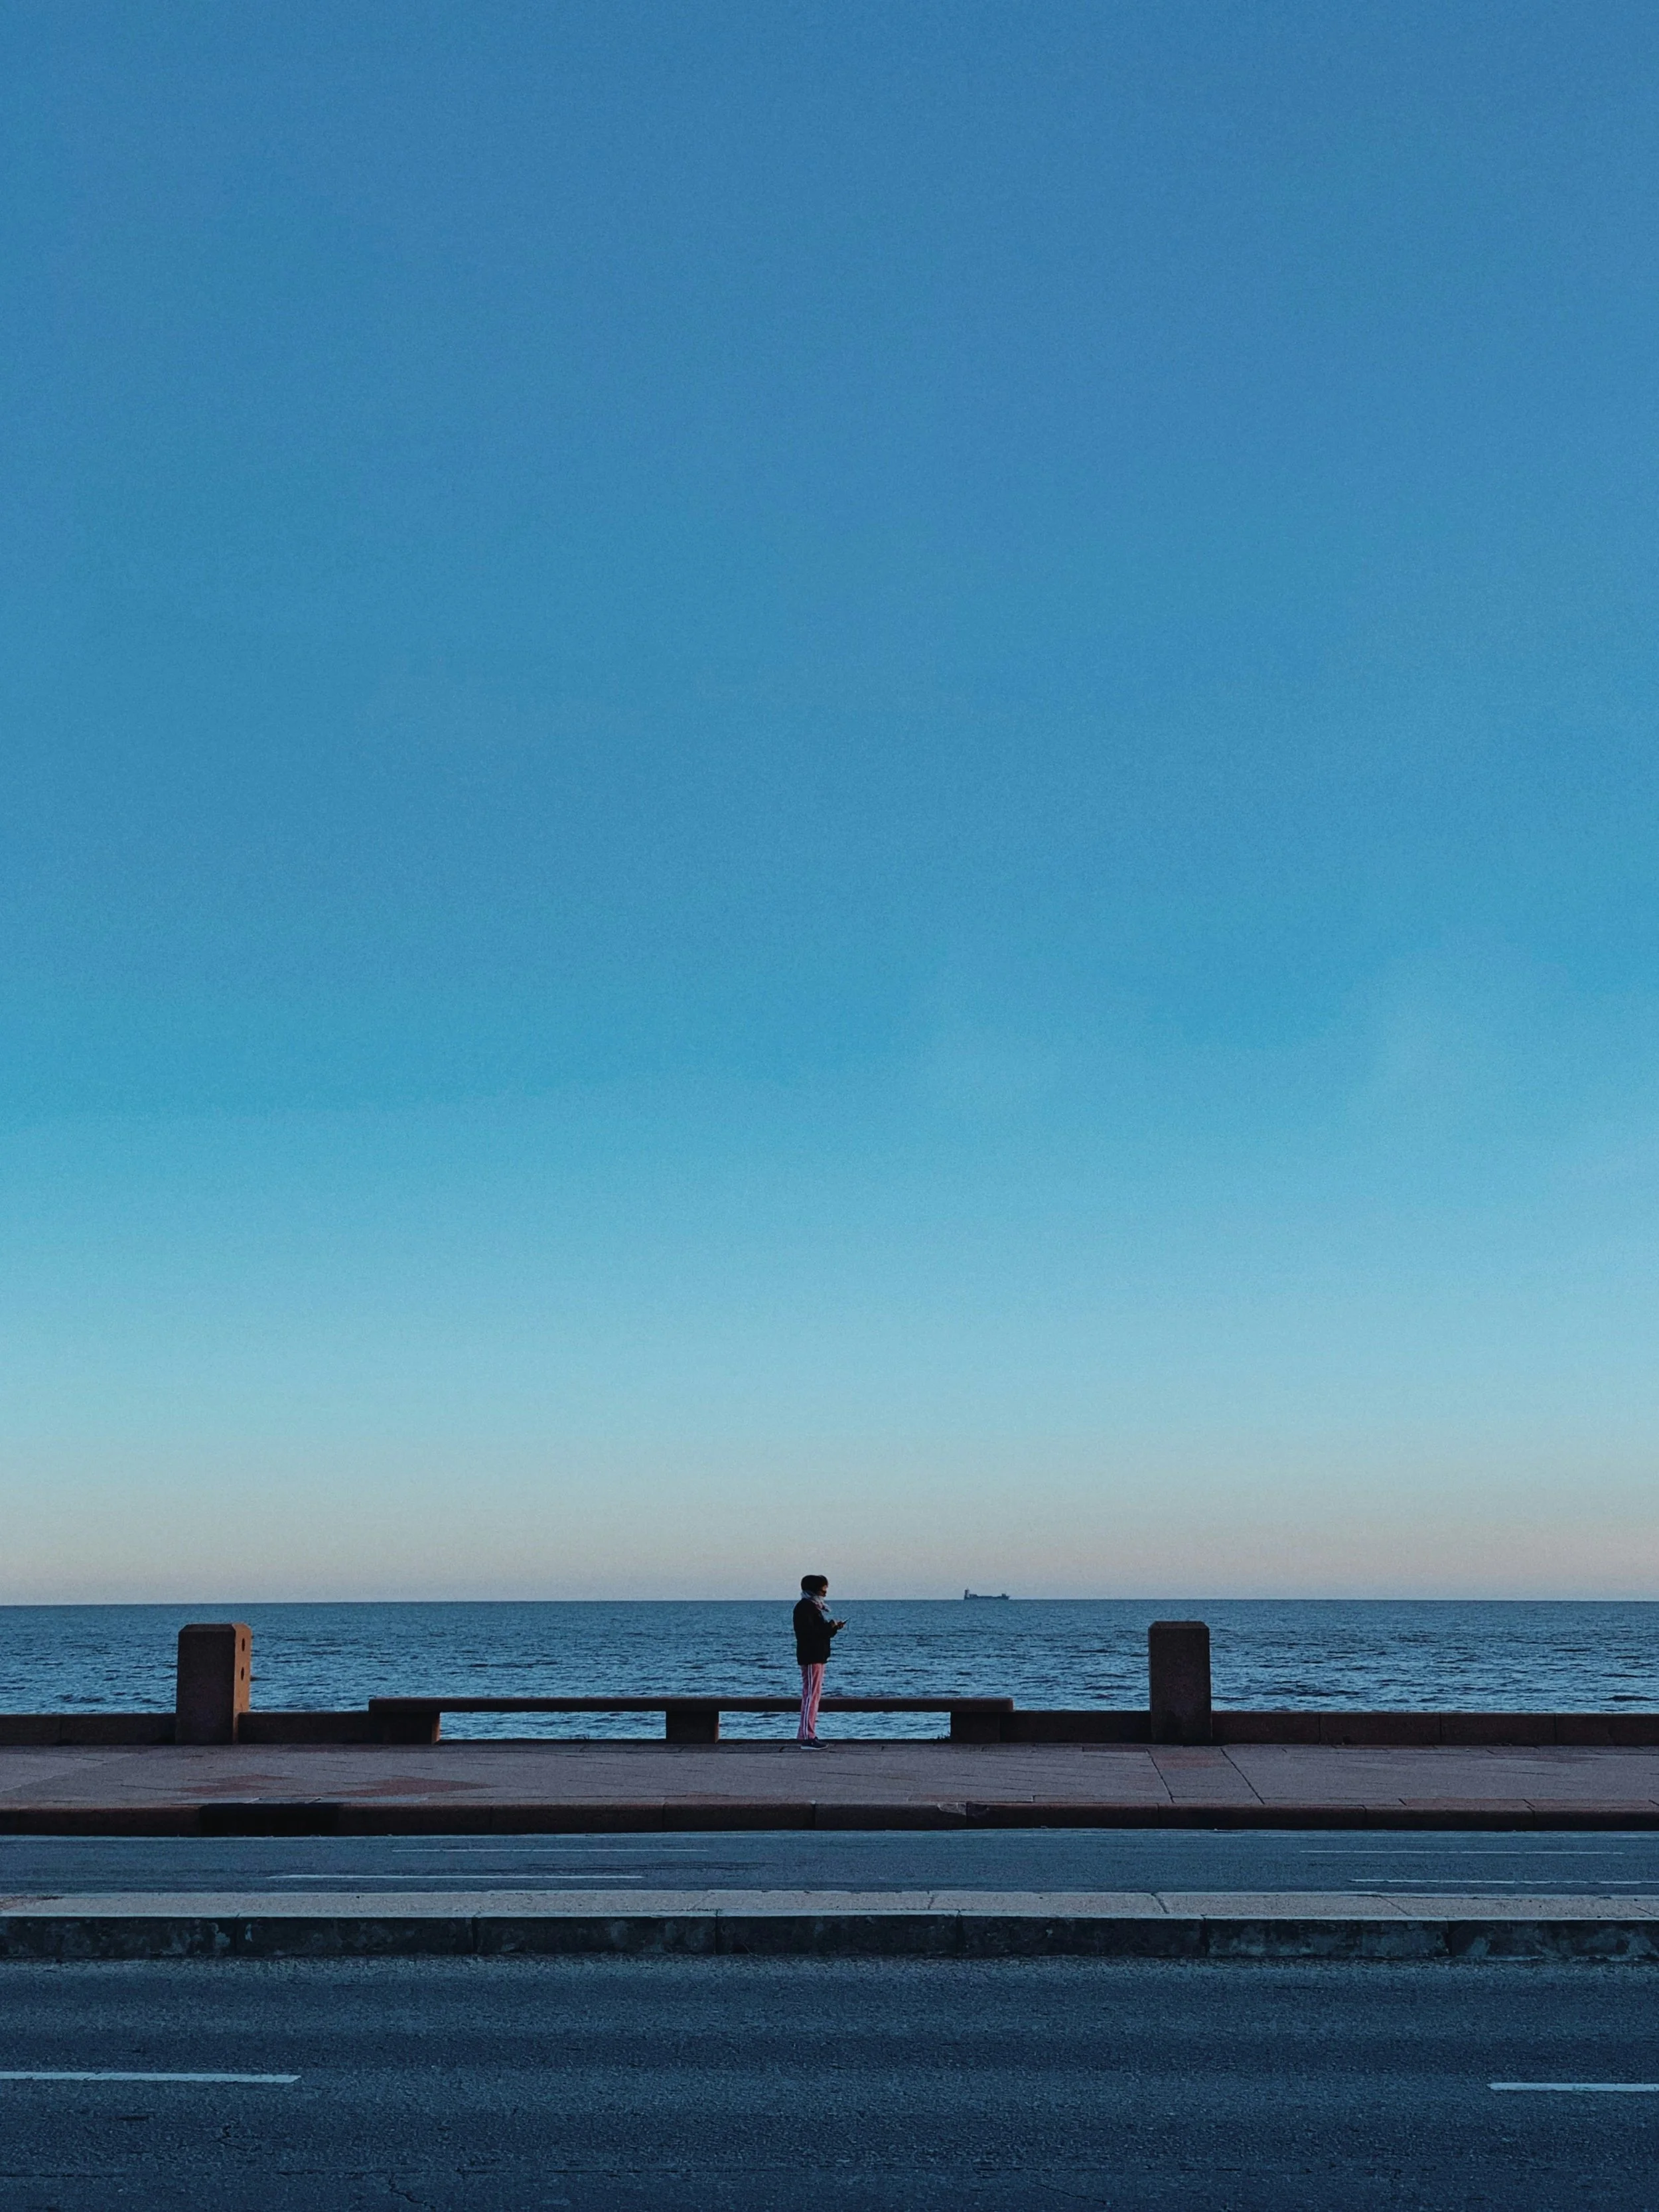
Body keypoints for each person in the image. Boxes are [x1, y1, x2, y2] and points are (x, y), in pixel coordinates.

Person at [792, 1574, 845, 1747]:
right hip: (811, 1656)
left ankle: (806, 1733)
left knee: (812, 1695)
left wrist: (833, 1628)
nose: (826, 1591)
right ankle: (808, 1736)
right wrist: (829, 1626)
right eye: (823, 1588)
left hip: (817, 1656)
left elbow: (819, 1632)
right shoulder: (805, 1608)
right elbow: (810, 1633)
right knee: (811, 1696)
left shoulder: (812, 1607)